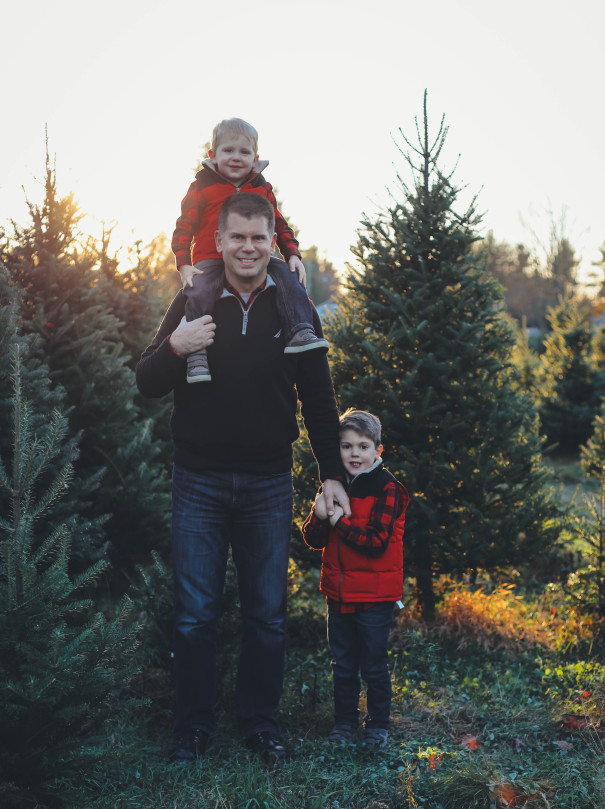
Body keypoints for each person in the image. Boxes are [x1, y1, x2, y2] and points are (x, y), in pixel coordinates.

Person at [136, 192, 350, 764]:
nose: (249, 247)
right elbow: (146, 381)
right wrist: (175, 348)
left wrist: (334, 476)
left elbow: (320, 399)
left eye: (259, 237)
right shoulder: (192, 298)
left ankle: (259, 723)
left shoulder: (294, 305)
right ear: (220, 242)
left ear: (270, 242)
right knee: (195, 613)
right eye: (238, 237)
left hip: (266, 484)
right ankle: (193, 728)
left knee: (266, 614)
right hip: (199, 483)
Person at [172, 116, 325, 384]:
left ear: (255, 158)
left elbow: (278, 222)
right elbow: (184, 226)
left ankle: (300, 330)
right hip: (209, 258)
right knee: (199, 289)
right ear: (213, 155)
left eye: (244, 152)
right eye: (228, 150)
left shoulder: (261, 187)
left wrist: (292, 254)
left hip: (256, 260)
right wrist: (184, 263)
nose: (236, 157)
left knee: (288, 277)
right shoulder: (202, 187)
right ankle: (197, 355)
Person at [302, 409, 408, 748]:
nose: (354, 454)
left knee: (373, 664)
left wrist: (337, 522)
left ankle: (378, 724)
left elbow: (376, 542)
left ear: (378, 449)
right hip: (340, 595)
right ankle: (344, 725)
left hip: (375, 598)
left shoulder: (387, 487)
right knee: (343, 664)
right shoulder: (333, 486)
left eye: (363, 446)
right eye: (346, 447)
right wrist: (320, 516)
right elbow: (313, 538)